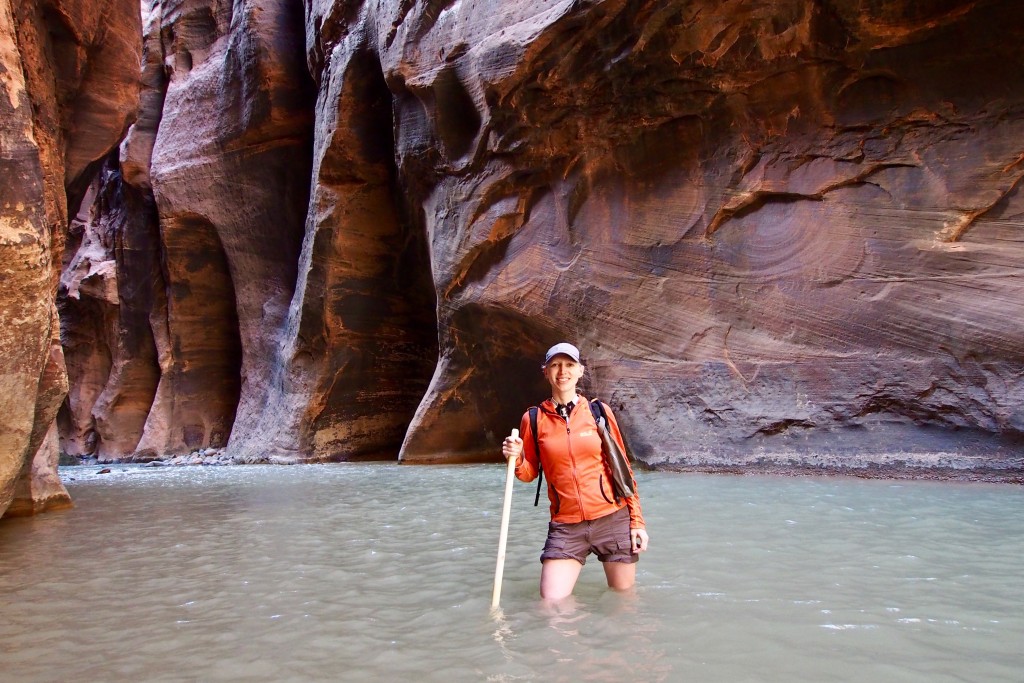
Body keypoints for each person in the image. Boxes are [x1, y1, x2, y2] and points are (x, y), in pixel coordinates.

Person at [502, 342, 649, 602]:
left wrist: (637, 522)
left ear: (580, 371)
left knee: (623, 604)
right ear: (545, 371)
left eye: (569, 365)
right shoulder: (534, 419)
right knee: (552, 605)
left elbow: (623, 469)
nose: (563, 371)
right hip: (566, 527)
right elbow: (528, 474)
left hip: (612, 519)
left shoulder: (598, 412)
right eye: (556, 365)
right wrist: (516, 459)